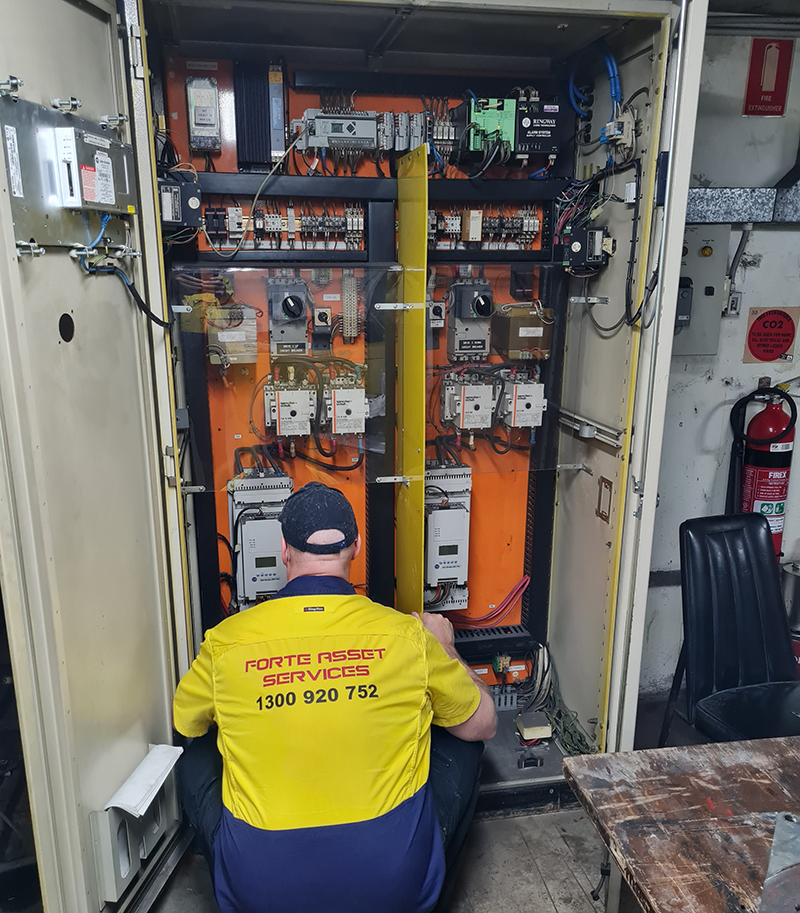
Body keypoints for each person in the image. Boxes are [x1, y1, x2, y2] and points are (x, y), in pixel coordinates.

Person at [173, 481, 497, 913]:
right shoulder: (406, 635)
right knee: (464, 734)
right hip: (391, 890)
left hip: (262, 895)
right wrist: (445, 647)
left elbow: (187, 722)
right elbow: (486, 723)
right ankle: (423, 886)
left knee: (194, 752)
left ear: (285, 551)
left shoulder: (226, 641)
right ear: (357, 547)